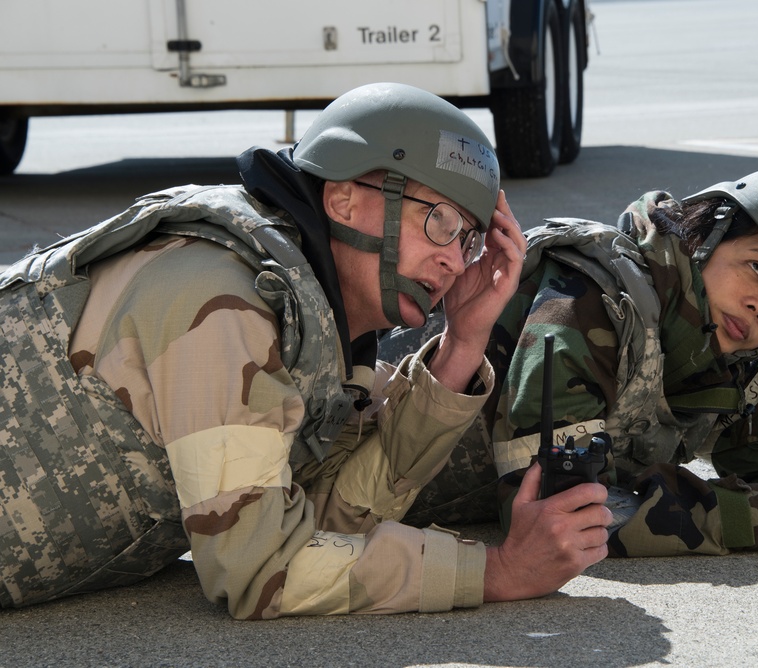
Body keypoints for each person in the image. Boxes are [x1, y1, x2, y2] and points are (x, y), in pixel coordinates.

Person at [0, 82, 612, 617]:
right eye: (440, 222)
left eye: (469, 238)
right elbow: (261, 567)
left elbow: (330, 519)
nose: (455, 258)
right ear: (343, 199)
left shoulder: (326, 330)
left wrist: (461, 345)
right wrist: (498, 571)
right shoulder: (219, 296)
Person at [387, 166, 758, 556]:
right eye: (756, 267)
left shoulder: (715, 363)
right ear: (706, 240)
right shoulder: (586, 304)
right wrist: (744, 516)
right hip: (352, 475)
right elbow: (555, 508)